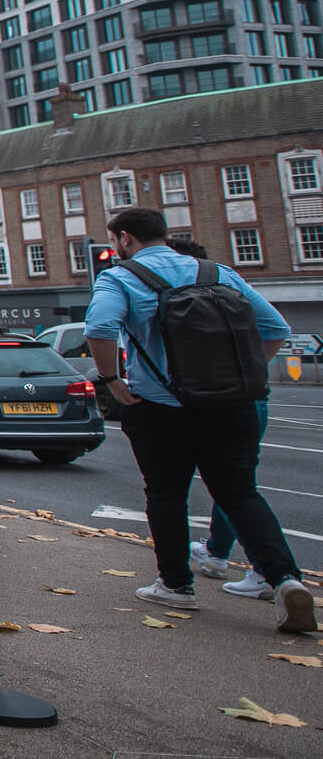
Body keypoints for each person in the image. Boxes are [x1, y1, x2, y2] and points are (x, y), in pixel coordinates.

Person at [84, 208, 312, 633]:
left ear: (124, 238)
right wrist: (243, 377)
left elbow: (100, 327)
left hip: (160, 408)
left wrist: (112, 380)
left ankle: (177, 586)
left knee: (167, 495)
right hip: (232, 406)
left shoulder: (121, 276)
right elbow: (275, 327)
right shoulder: (217, 272)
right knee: (241, 494)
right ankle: (285, 580)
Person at [163, 239, 285, 600]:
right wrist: (247, 372)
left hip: (199, 401)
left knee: (230, 490)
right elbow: (277, 328)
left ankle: (263, 571)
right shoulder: (226, 281)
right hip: (247, 397)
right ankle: (217, 554)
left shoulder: (172, 291)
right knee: (235, 486)